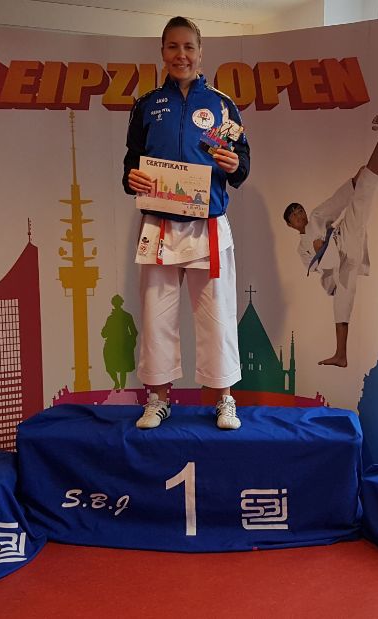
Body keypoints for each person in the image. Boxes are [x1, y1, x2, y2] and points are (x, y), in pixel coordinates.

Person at [122, 16, 250, 430]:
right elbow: (131, 163)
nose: (181, 55)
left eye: (188, 47)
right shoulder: (146, 105)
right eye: (173, 47)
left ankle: (224, 399)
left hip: (207, 225)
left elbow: (242, 164)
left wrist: (233, 164)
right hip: (159, 224)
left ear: (200, 52)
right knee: (156, 315)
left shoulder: (222, 105)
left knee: (217, 315)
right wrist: (131, 178)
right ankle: (158, 398)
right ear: (162, 52)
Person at [283, 113, 378, 367]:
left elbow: (336, 203)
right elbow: (315, 267)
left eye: (299, 210)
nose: (299, 214)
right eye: (294, 215)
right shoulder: (301, 248)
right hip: (334, 268)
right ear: (290, 225)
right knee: (342, 305)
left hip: (343, 238)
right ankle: (341, 355)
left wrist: (355, 182)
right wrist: (320, 253)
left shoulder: (316, 217)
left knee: (364, 188)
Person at [101, 294, 138, 391]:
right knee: (112, 367)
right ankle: (118, 384)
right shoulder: (112, 318)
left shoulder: (125, 316)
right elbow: (104, 333)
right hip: (114, 345)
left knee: (122, 368)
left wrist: (130, 343)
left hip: (122, 345)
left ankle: (121, 387)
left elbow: (134, 332)